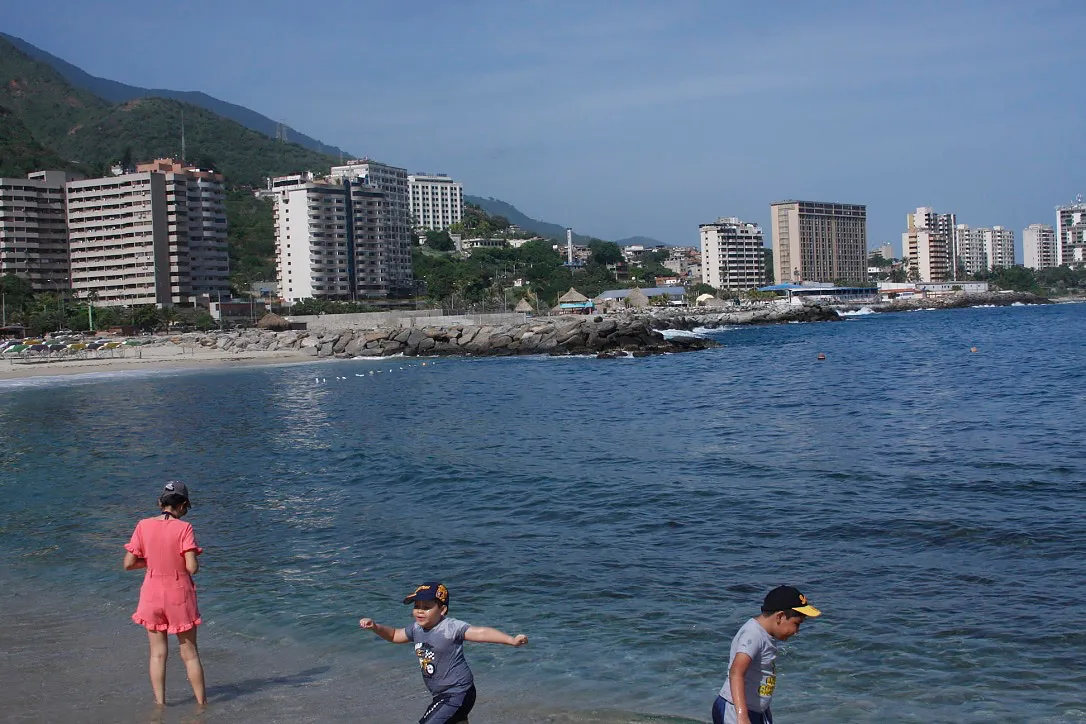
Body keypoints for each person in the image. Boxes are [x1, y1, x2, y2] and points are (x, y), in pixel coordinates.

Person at [359, 582, 528, 724]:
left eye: (426, 607)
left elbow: (481, 633)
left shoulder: (450, 628)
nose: (419, 611)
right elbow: (395, 635)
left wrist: (511, 640)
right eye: (417, 606)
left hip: (458, 692)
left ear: (442, 610)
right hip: (441, 694)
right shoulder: (416, 628)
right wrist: (375, 626)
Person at [123, 481, 207, 707]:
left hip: (151, 593)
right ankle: (201, 705)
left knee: (157, 654)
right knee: (189, 654)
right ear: (184, 505)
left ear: (161, 503)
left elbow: (128, 563)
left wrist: (151, 562)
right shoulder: (185, 528)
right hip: (179, 595)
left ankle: (160, 704)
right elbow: (191, 568)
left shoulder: (142, 525)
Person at [711, 585, 822, 724]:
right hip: (735, 710)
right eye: (796, 624)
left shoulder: (766, 635)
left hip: (757, 711)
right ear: (780, 616)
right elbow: (736, 672)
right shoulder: (753, 634)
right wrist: (742, 716)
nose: (797, 631)